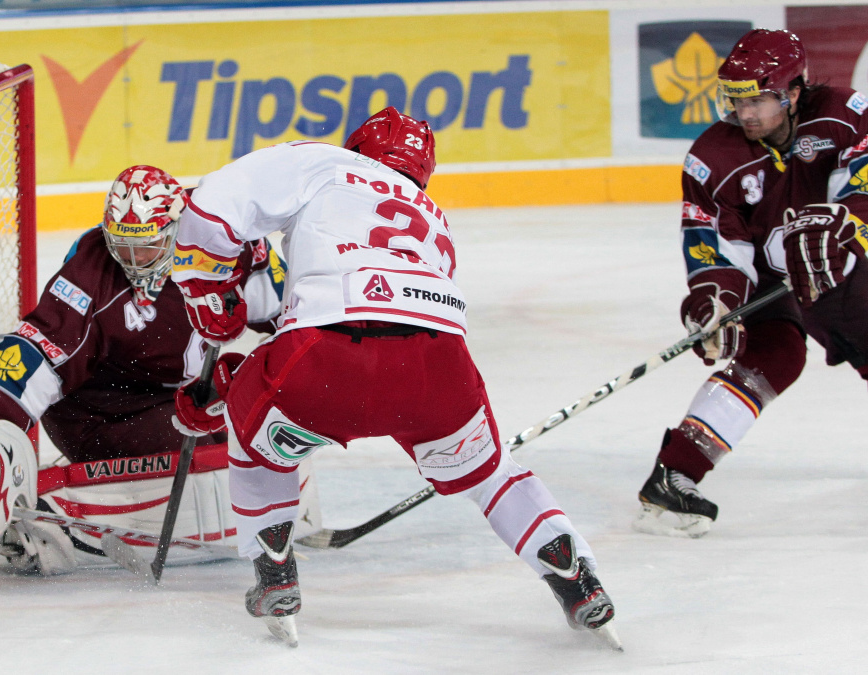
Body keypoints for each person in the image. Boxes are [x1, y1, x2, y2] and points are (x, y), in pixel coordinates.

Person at [169, 108, 619, 648]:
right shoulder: (433, 214)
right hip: (441, 370)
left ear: (358, 147)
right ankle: (575, 575)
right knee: (492, 474)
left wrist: (207, 292)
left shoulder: (324, 162)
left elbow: (214, 204)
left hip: (330, 358)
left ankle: (274, 571)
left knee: (256, 434)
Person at [0, 165, 320, 574]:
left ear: (175, 229)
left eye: (147, 245)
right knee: (210, 444)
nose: (133, 260)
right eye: (122, 244)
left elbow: (292, 317)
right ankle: (51, 519)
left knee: (257, 422)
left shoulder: (229, 246)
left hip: (174, 396)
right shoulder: (92, 272)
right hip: (98, 415)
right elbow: (37, 349)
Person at [634, 29, 868, 538]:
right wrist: (714, 300)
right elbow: (713, 245)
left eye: (758, 100)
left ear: (794, 91)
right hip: (766, 277)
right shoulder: (712, 158)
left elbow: (861, 185)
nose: (745, 114)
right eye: (737, 101)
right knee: (774, 355)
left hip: (836, 265)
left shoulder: (845, 114)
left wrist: (848, 223)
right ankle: (675, 474)